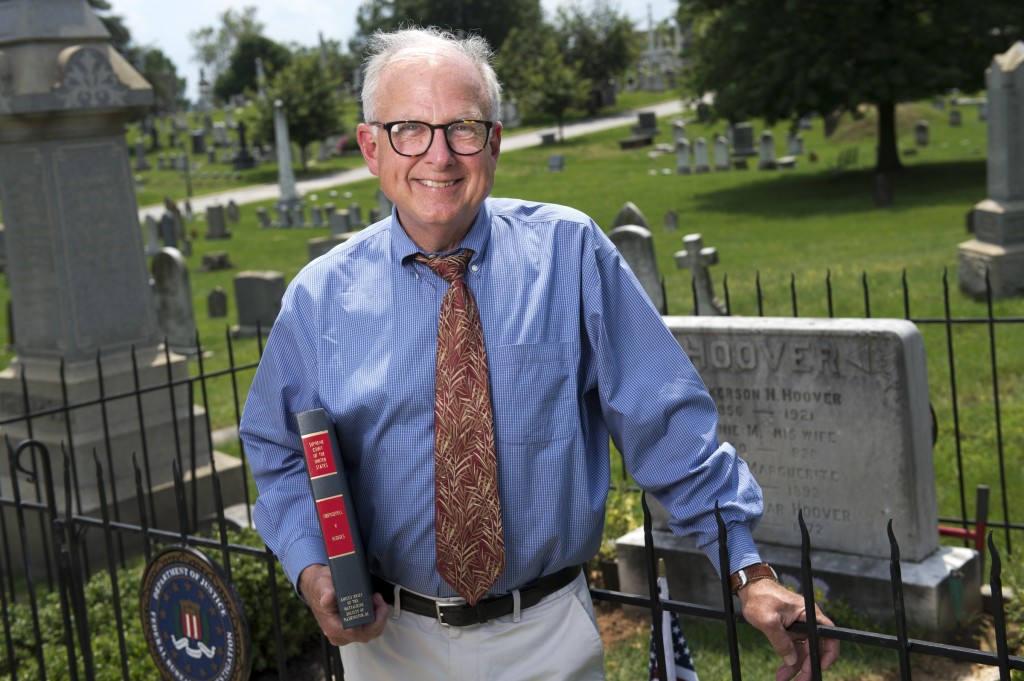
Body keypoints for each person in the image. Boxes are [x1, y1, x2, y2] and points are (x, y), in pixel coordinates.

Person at [239, 25, 839, 681]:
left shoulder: (571, 254)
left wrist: (746, 569)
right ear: (369, 147)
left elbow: (664, 420)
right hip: (390, 645)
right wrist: (312, 563)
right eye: (409, 128)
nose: (439, 155)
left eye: (463, 128)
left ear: (494, 143)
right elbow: (278, 445)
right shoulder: (320, 299)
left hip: (548, 636)